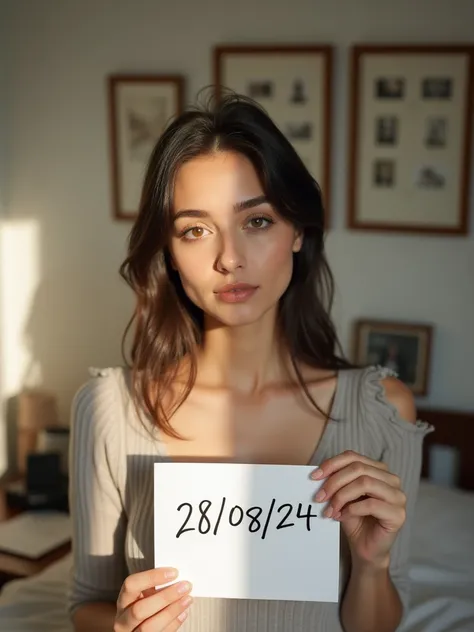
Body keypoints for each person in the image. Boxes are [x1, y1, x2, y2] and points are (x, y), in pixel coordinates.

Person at [68, 90, 433, 632]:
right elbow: (84, 607)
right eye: (195, 229)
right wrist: (122, 625)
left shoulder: (382, 410)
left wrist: (372, 564)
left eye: (256, 221)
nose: (229, 258)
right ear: (169, 254)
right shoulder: (108, 412)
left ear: (298, 232)